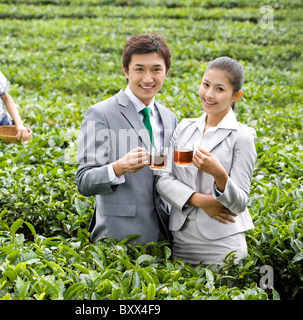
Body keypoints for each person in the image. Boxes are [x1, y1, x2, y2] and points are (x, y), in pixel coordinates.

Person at [76, 34, 177, 245]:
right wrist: (118, 167)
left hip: (163, 235)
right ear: (125, 71)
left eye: (156, 69)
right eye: (139, 69)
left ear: (166, 72)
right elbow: (84, 181)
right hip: (119, 238)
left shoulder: (169, 117)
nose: (148, 78)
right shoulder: (101, 113)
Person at [156, 57, 257, 265]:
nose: (209, 94)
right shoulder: (184, 127)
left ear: (236, 95)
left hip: (222, 243)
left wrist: (218, 174)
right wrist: (199, 200)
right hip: (182, 238)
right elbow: (163, 179)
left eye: (220, 89)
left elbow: (240, 201)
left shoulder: (242, 136)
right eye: (206, 85)